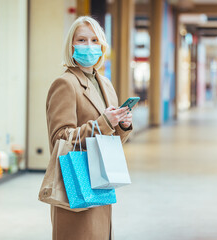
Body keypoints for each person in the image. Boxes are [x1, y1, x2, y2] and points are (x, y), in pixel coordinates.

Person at [46, 16, 133, 240]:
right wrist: (103, 123)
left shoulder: (104, 83)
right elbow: (60, 139)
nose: (89, 46)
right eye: (82, 40)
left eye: (95, 40)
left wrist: (121, 124)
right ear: (71, 45)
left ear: (102, 45)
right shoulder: (65, 83)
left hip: (101, 181)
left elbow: (111, 138)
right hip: (76, 183)